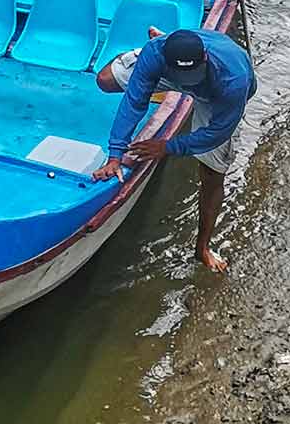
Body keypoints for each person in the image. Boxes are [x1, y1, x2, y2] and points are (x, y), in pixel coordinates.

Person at [92, 27, 256, 274]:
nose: (188, 84)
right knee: (104, 80)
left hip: (215, 92)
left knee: (212, 175)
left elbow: (217, 133)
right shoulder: (155, 56)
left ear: (205, 59)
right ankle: (167, 42)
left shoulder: (234, 79)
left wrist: (169, 146)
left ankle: (202, 249)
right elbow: (134, 102)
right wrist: (115, 155)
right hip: (166, 63)